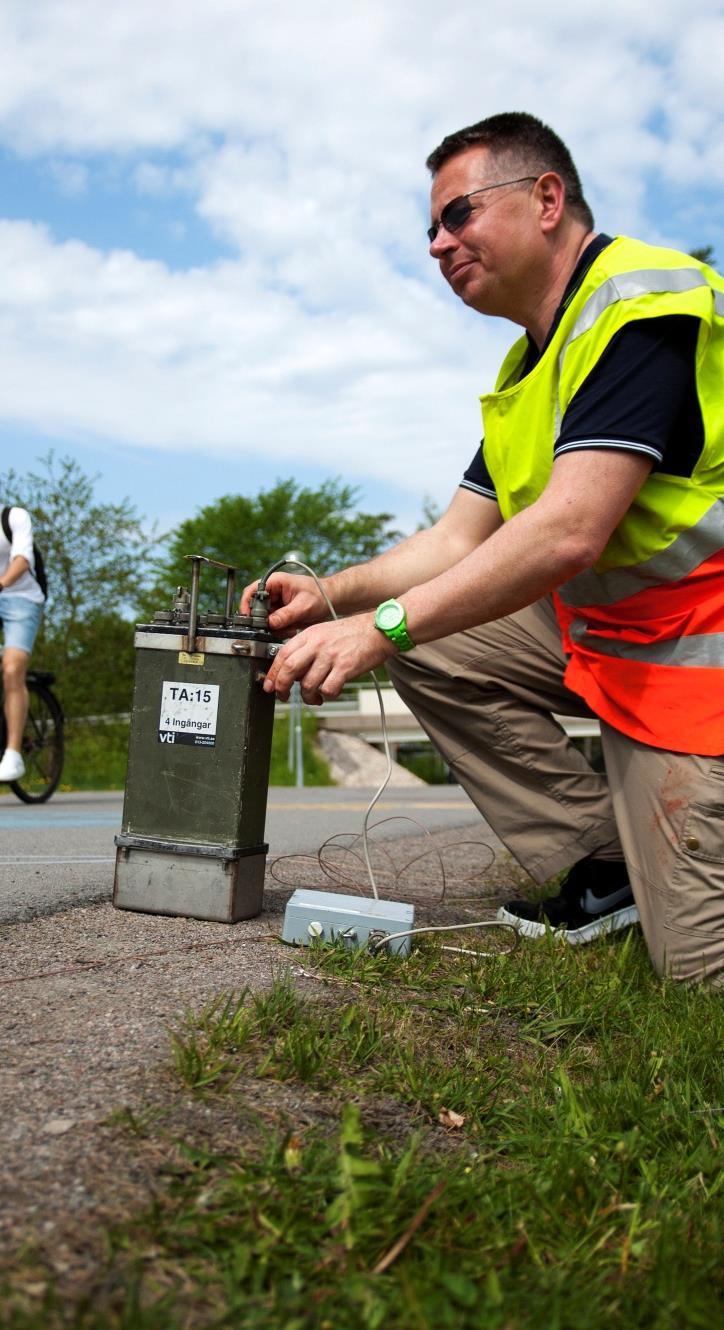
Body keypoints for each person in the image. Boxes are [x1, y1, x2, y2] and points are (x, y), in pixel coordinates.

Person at [243, 112, 724, 985]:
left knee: (697, 972)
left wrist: (378, 629)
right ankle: (610, 866)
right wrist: (336, 595)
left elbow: (571, 529)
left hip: (698, 670)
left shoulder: (642, 303)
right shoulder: (527, 369)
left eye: (457, 213)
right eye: (430, 226)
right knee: (438, 640)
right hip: (624, 647)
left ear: (546, 199)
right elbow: (456, 540)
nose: (436, 243)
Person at [0, 504, 45, 782]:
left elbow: (22, 559)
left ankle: (14, 753)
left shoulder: (13, 517)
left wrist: (2, 583)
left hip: (22, 599)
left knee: (12, 668)